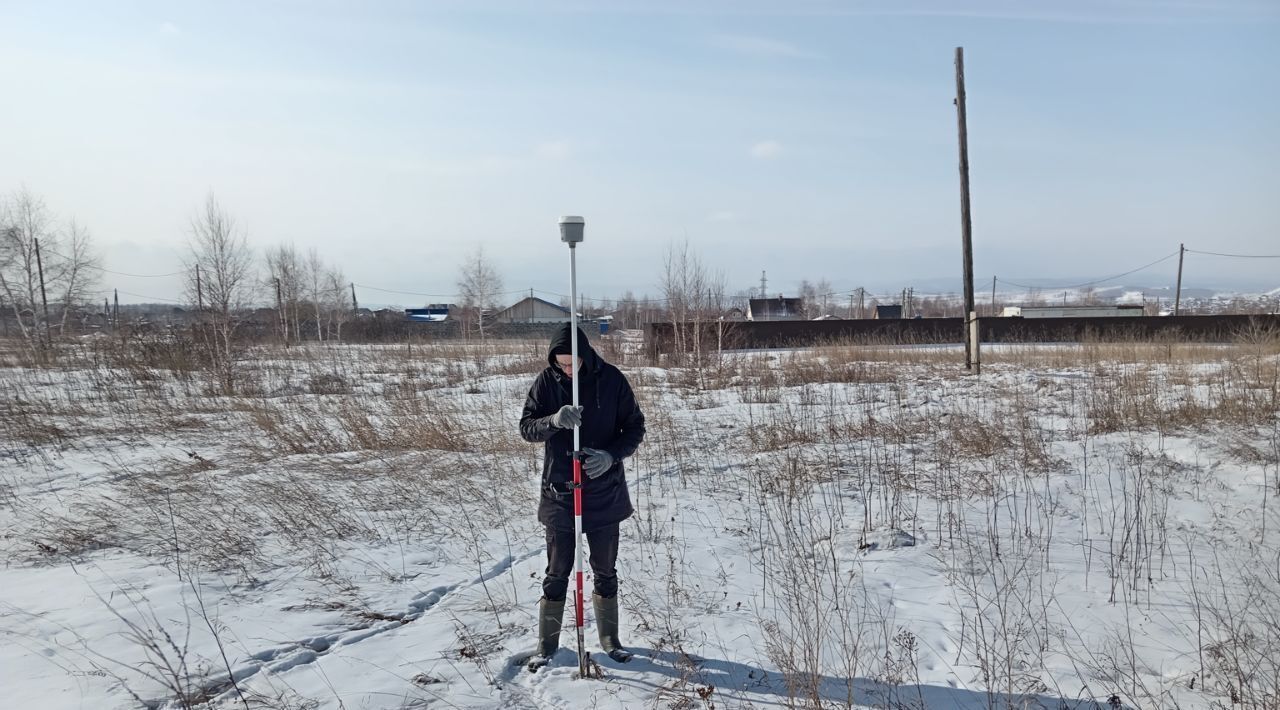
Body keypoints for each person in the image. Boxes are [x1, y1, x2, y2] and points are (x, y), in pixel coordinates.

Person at [517, 322, 646, 670]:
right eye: (561, 364)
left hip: (604, 494)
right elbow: (527, 427)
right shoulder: (547, 382)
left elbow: (635, 427)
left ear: (586, 355)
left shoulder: (612, 380)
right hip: (560, 493)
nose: (567, 370)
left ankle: (610, 640)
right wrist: (554, 421)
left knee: (605, 568)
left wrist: (611, 456)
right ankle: (548, 645)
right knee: (557, 570)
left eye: (572, 363)